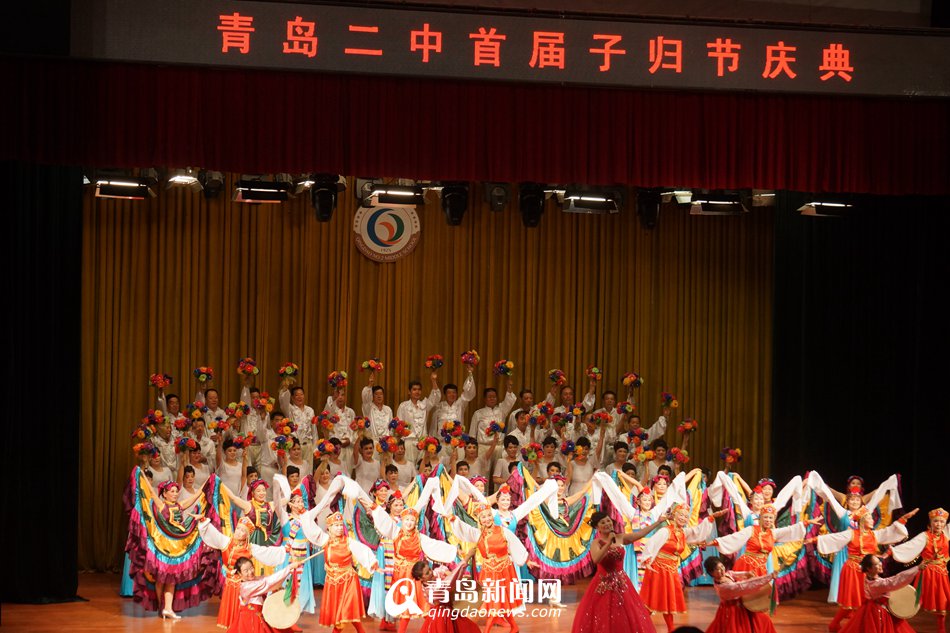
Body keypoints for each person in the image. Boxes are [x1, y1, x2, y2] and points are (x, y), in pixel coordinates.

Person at [125, 473, 220, 618]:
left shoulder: (180, 506)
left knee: (172, 578)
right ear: (165, 493)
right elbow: (150, 491)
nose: (175, 494)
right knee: (161, 578)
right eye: (172, 491)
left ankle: (168, 608)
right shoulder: (161, 504)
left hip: (178, 547)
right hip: (164, 546)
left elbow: (197, 496)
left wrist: (208, 481)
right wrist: (141, 474)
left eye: (177, 491)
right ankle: (161, 605)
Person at [817, 506, 917, 632]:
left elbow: (890, 531)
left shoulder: (875, 535)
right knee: (852, 600)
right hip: (853, 569)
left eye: (871, 517)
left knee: (864, 601)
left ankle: (857, 625)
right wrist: (814, 539)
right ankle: (835, 624)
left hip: (867, 570)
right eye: (869, 518)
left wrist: (903, 519)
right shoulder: (852, 533)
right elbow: (833, 539)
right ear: (862, 520)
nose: (872, 520)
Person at [571, 510, 663, 633]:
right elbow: (596, 559)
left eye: (608, 520)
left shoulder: (620, 537)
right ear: (597, 527)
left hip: (622, 583)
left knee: (626, 613)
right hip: (603, 584)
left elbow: (640, 534)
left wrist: (658, 522)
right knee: (602, 615)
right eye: (603, 522)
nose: (607, 524)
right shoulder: (596, 543)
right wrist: (608, 543)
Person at [446, 503, 531, 633]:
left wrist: (526, 560)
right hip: (488, 573)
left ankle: (487, 631)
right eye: (483, 517)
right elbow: (465, 529)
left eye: (489, 516)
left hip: (504, 570)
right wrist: (453, 519)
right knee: (494, 602)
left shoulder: (503, 531)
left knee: (498, 601)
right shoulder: (478, 534)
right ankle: (514, 627)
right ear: (479, 520)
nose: (487, 519)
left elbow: (515, 544)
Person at [640, 504, 724, 632]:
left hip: (671, 570)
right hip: (659, 569)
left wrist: (711, 518)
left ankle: (670, 628)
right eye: (681, 515)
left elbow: (698, 532)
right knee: (652, 601)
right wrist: (647, 560)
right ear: (674, 515)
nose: (683, 518)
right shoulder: (665, 531)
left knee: (668, 602)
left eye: (686, 516)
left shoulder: (683, 532)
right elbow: (652, 544)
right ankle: (639, 625)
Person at [196, 515, 287, 628]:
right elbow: (214, 534)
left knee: (242, 614)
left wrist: (284, 550)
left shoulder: (250, 548)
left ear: (247, 535)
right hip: (230, 584)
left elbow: (267, 552)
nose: (239, 532)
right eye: (238, 528)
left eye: (243, 530)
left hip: (244, 586)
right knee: (230, 614)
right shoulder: (226, 542)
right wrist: (203, 520)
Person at [299, 511, 379, 633]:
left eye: (341, 525)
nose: (340, 528)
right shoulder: (325, 541)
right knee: (344, 613)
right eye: (336, 525)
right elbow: (312, 530)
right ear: (329, 528)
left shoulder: (348, 542)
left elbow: (362, 550)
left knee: (345, 612)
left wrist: (373, 563)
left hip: (348, 580)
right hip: (332, 581)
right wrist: (304, 515)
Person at [891, 507, 950, 633]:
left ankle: (941, 629)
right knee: (915, 602)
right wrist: (891, 551)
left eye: (941, 521)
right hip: (927, 573)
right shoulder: (924, 536)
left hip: (941, 574)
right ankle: (898, 624)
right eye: (936, 521)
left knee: (942, 603)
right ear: (930, 522)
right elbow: (909, 546)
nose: (938, 524)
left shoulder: (946, 534)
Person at [837, 555, 920, 633]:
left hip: (871, 608)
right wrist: (917, 568)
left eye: (879, 561)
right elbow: (895, 580)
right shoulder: (877, 584)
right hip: (878, 611)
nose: (880, 564)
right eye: (876, 564)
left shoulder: (868, 578)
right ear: (869, 568)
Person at [228, 556, 303, 633]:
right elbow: (267, 582)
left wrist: (290, 570)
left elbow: (270, 580)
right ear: (240, 573)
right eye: (246, 571)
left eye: (251, 568)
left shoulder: (257, 579)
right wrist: (289, 567)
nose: (250, 572)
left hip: (259, 616)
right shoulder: (246, 587)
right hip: (250, 620)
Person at [414, 547, 481, 633]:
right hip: (441, 617)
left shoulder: (435, 575)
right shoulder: (430, 591)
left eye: (430, 569)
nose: (431, 572)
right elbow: (449, 581)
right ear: (420, 578)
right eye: (427, 573)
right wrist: (467, 557)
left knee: (471, 628)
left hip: (450, 611)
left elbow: (444, 572)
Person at [703, 557, 777, 633]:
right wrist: (769, 577)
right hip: (733, 612)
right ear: (711, 573)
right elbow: (745, 585)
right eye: (718, 569)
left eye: (722, 566)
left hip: (741, 606)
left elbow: (733, 573)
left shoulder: (726, 575)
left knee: (764, 620)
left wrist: (747, 573)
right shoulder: (723, 587)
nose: (722, 570)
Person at [397, 376, 441, 463]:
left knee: (423, 467)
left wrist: (433, 381)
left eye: (419, 389)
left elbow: (436, 398)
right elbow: (399, 426)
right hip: (409, 441)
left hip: (423, 442)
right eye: (414, 389)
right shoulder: (403, 406)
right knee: (409, 466)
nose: (417, 392)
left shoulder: (424, 405)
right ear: (409, 392)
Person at [279, 381, 316, 459]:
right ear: (292, 397)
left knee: (308, 470)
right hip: (295, 446)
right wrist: (285, 389)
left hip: (308, 446)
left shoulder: (310, 410)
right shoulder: (289, 409)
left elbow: (314, 430)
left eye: (301, 394)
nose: (300, 397)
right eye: (297, 395)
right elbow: (283, 402)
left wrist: (315, 448)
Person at [362, 372, 394, 440]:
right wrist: (370, 384)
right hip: (372, 442)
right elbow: (365, 398)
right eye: (376, 394)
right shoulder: (368, 407)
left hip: (386, 442)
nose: (379, 396)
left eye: (381, 394)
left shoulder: (388, 409)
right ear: (372, 396)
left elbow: (391, 428)